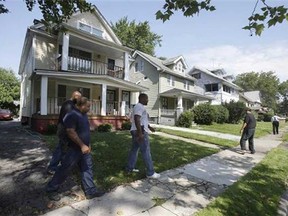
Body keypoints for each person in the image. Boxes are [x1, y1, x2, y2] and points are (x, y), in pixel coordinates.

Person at [46, 97, 105, 200]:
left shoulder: (83, 114)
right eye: (88, 106)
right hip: (74, 149)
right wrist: (82, 145)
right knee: (65, 168)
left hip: (84, 148)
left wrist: (87, 144)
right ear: (81, 105)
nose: (89, 108)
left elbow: (84, 130)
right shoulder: (72, 115)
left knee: (87, 168)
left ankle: (90, 191)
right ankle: (51, 189)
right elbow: (70, 132)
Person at [47, 91, 82, 175]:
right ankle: (52, 167)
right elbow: (69, 119)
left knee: (66, 148)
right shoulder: (68, 104)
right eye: (78, 98)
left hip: (66, 129)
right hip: (64, 129)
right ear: (75, 96)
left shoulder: (70, 104)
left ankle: (64, 167)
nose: (79, 100)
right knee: (61, 148)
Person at [126, 93, 160, 179]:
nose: (148, 100)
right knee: (146, 151)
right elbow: (137, 119)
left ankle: (129, 168)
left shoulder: (139, 107)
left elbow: (142, 120)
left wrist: (149, 127)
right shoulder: (139, 106)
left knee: (134, 150)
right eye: (147, 99)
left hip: (136, 130)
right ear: (142, 99)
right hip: (139, 131)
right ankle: (150, 172)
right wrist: (140, 133)